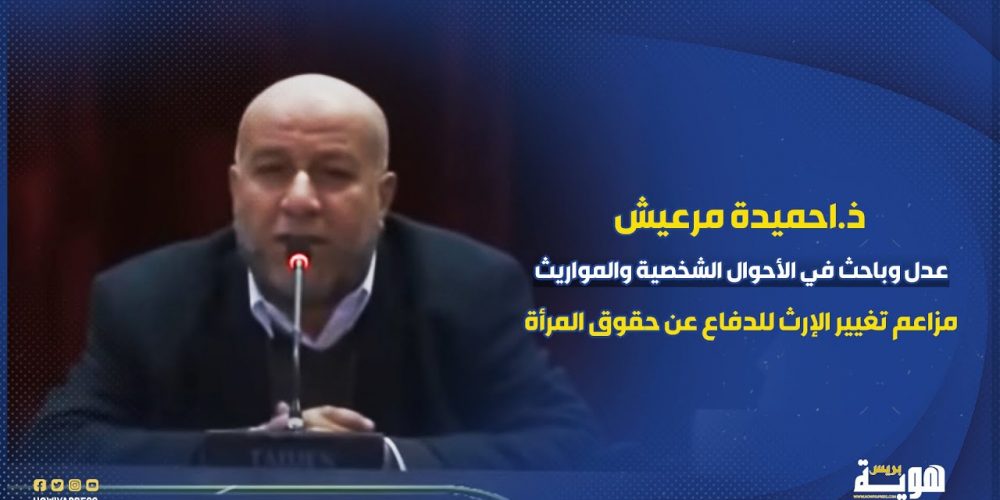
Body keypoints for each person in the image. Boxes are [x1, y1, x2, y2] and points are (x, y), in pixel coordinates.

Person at [26, 74, 598, 469]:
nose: (300, 200)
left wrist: (383, 460)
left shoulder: (470, 287)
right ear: (235, 190)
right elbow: (52, 450)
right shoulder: (148, 297)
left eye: (334, 172)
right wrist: (242, 454)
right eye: (272, 169)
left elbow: (570, 445)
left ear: (382, 197)